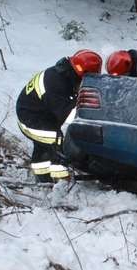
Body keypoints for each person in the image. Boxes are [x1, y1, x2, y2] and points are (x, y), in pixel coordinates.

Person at [16, 50, 103, 182]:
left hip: (39, 114)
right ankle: (60, 179)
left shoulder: (64, 73)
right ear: (82, 73)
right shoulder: (56, 85)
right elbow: (68, 116)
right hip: (30, 120)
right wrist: (91, 117)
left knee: (43, 145)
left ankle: (43, 175)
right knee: (55, 139)